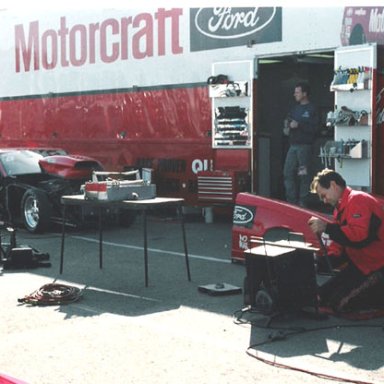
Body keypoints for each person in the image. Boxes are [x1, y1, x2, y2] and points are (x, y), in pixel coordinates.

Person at [308, 169, 384, 312]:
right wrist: (318, 260)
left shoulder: (358, 199)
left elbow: (359, 237)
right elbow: (339, 245)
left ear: (333, 185)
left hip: (377, 267)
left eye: (323, 195)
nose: (324, 201)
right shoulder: (340, 208)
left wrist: (326, 227)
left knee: (340, 305)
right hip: (361, 265)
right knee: (321, 297)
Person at [283, 82, 318, 207]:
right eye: (295, 92)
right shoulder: (295, 108)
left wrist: (300, 125)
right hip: (293, 147)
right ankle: (291, 202)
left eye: (297, 92)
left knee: (303, 175)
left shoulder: (312, 109)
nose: (295, 94)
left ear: (305, 94)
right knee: (288, 173)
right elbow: (287, 120)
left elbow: (316, 129)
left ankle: (303, 202)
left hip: (305, 148)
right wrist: (286, 127)